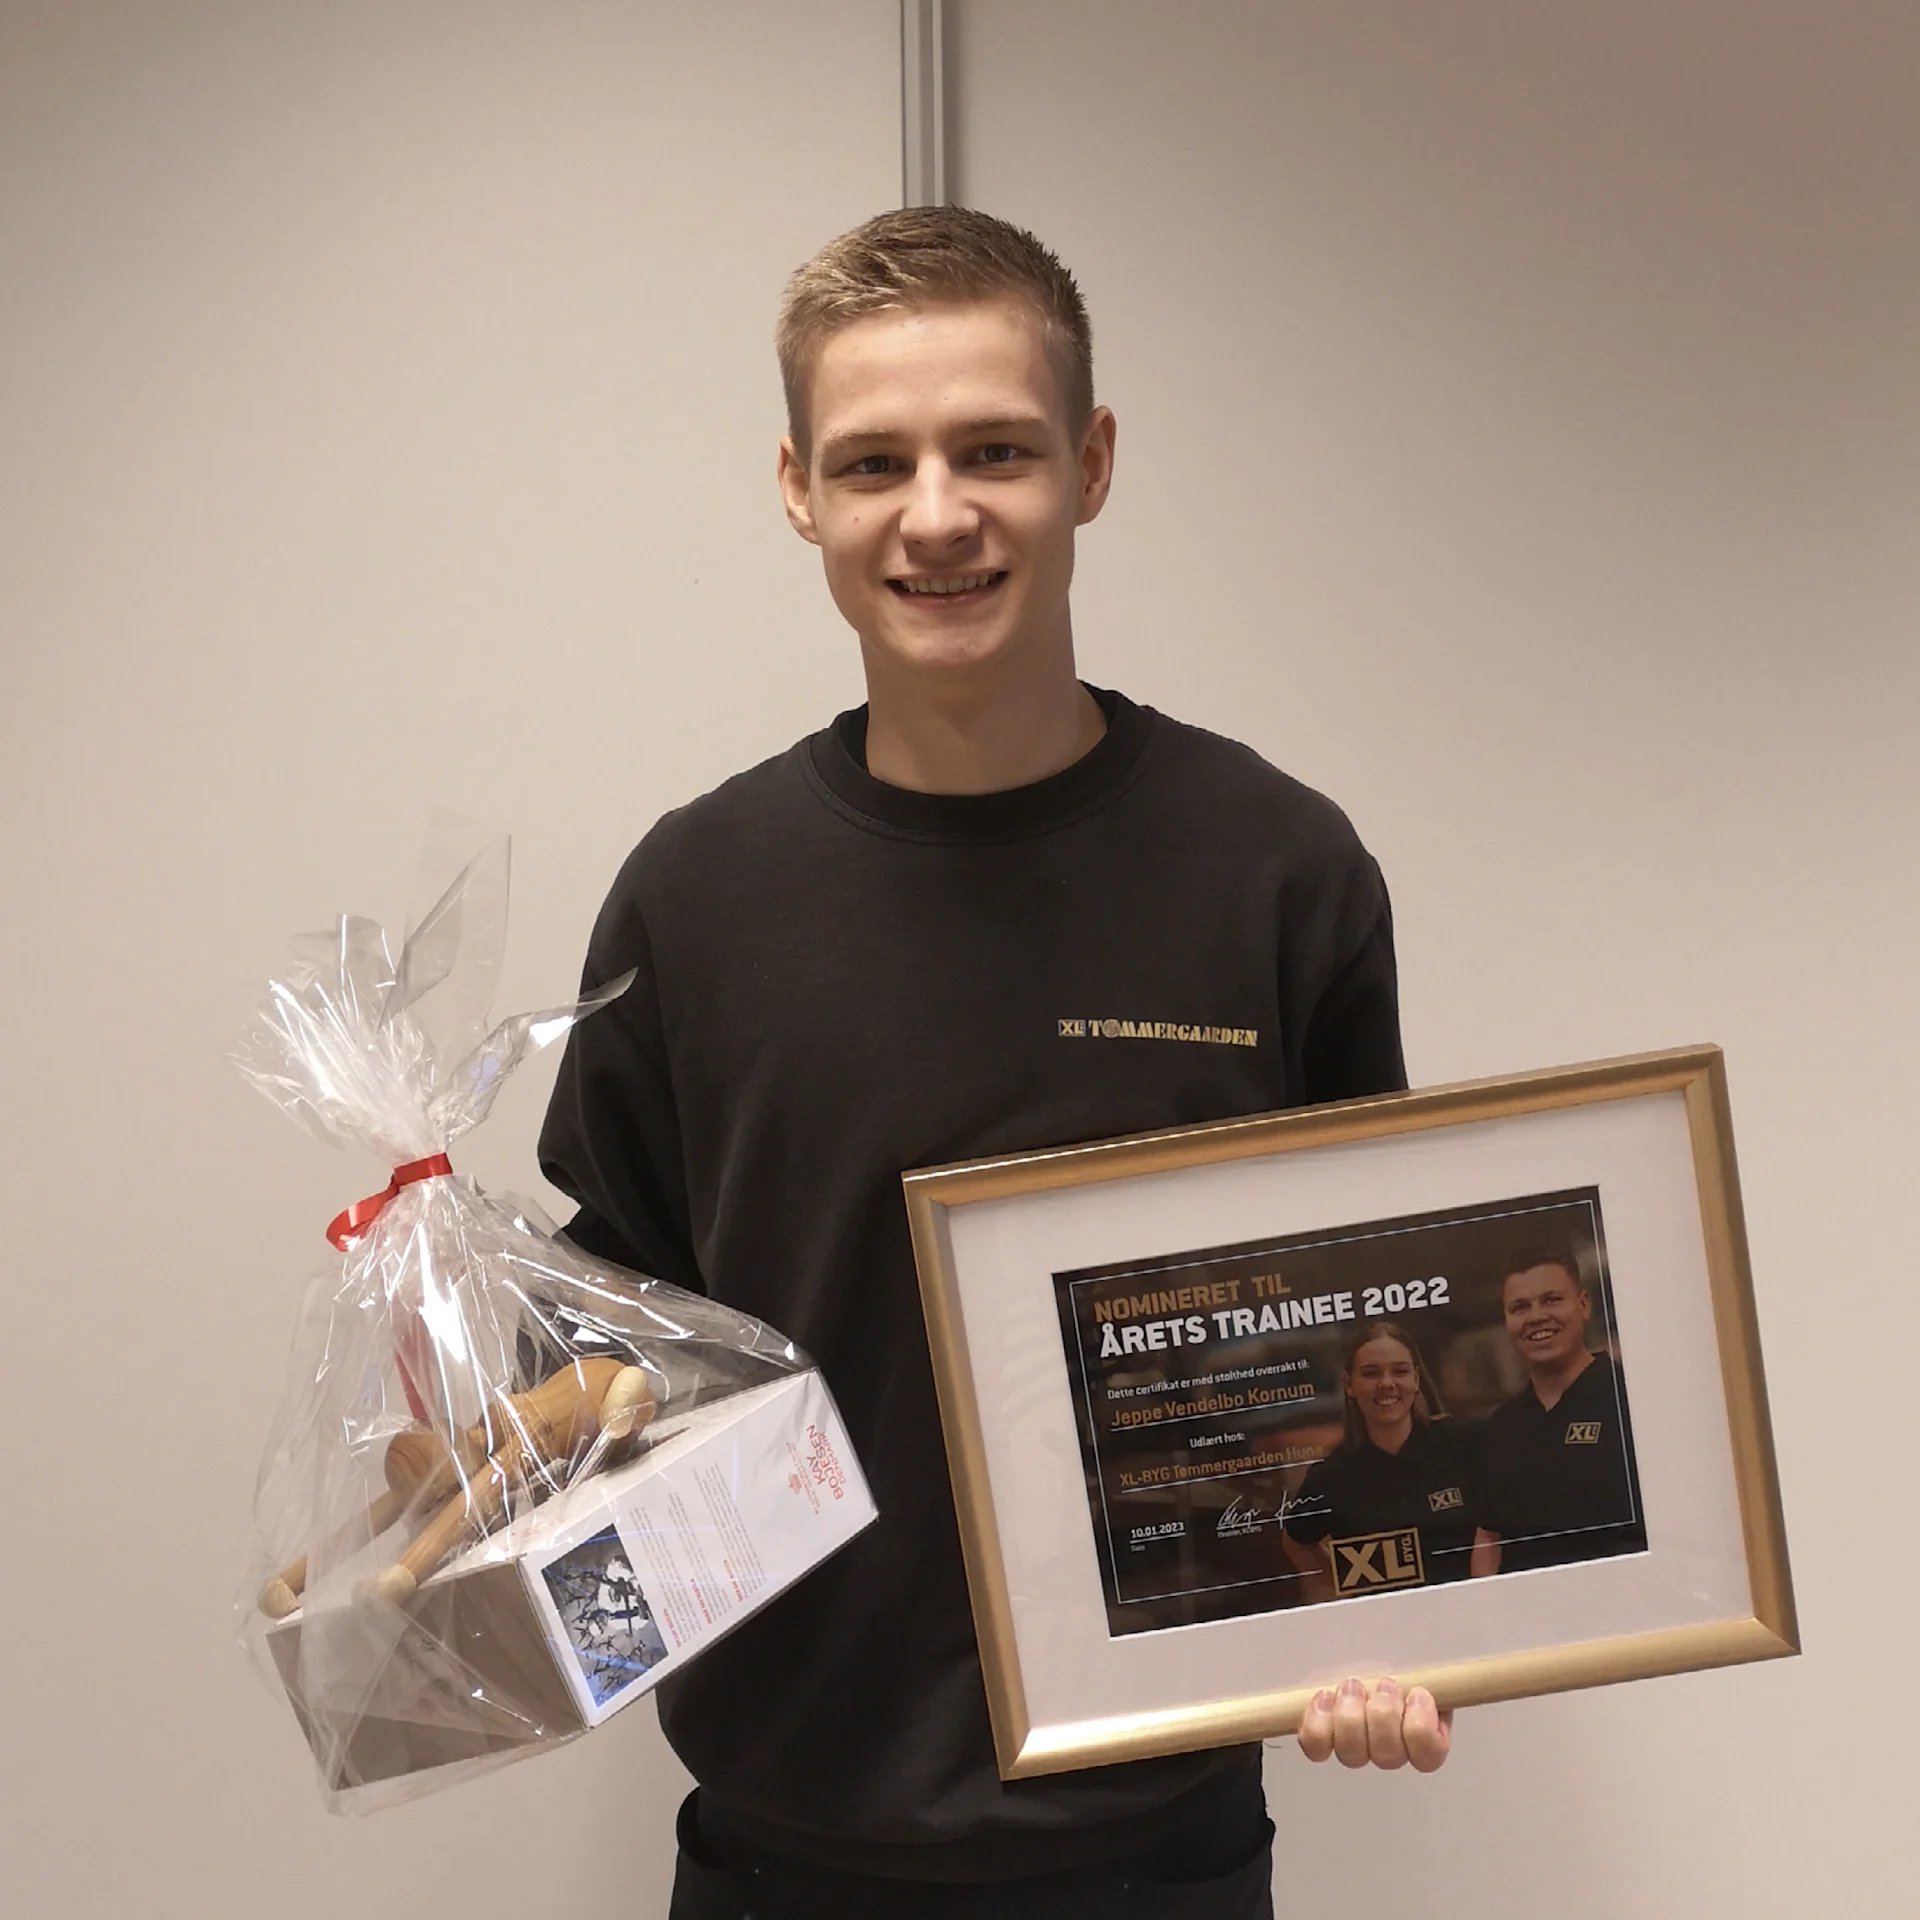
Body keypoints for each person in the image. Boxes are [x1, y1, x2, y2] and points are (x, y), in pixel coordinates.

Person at [537, 206, 1449, 1920]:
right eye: (874, 462)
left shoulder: (1273, 869)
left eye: (997, 451)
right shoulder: (695, 895)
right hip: (779, 1858)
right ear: (799, 489)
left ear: (1089, 465)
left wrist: (1402, 1625)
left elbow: (1374, 1314)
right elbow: (619, 1343)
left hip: (1160, 1853)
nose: (938, 513)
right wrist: (470, 1436)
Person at [1470, 1246, 1646, 1577]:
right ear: (1507, 1320)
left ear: (1584, 1305)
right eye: (1520, 1307)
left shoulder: (1634, 1400)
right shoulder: (1501, 1427)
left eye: (1551, 1300)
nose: (1536, 1316)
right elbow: (1488, 1539)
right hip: (1526, 1608)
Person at [1282, 1322, 1481, 1602]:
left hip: (1471, 1613)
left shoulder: (1464, 1445)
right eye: (1370, 1373)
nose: (1386, 1383)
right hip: (1387, 1624)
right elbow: (1297, 1544)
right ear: (1348, 1384)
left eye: (1399, 1371)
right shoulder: (1331, 1476)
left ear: (1415, 1379)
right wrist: (1344, 1584)